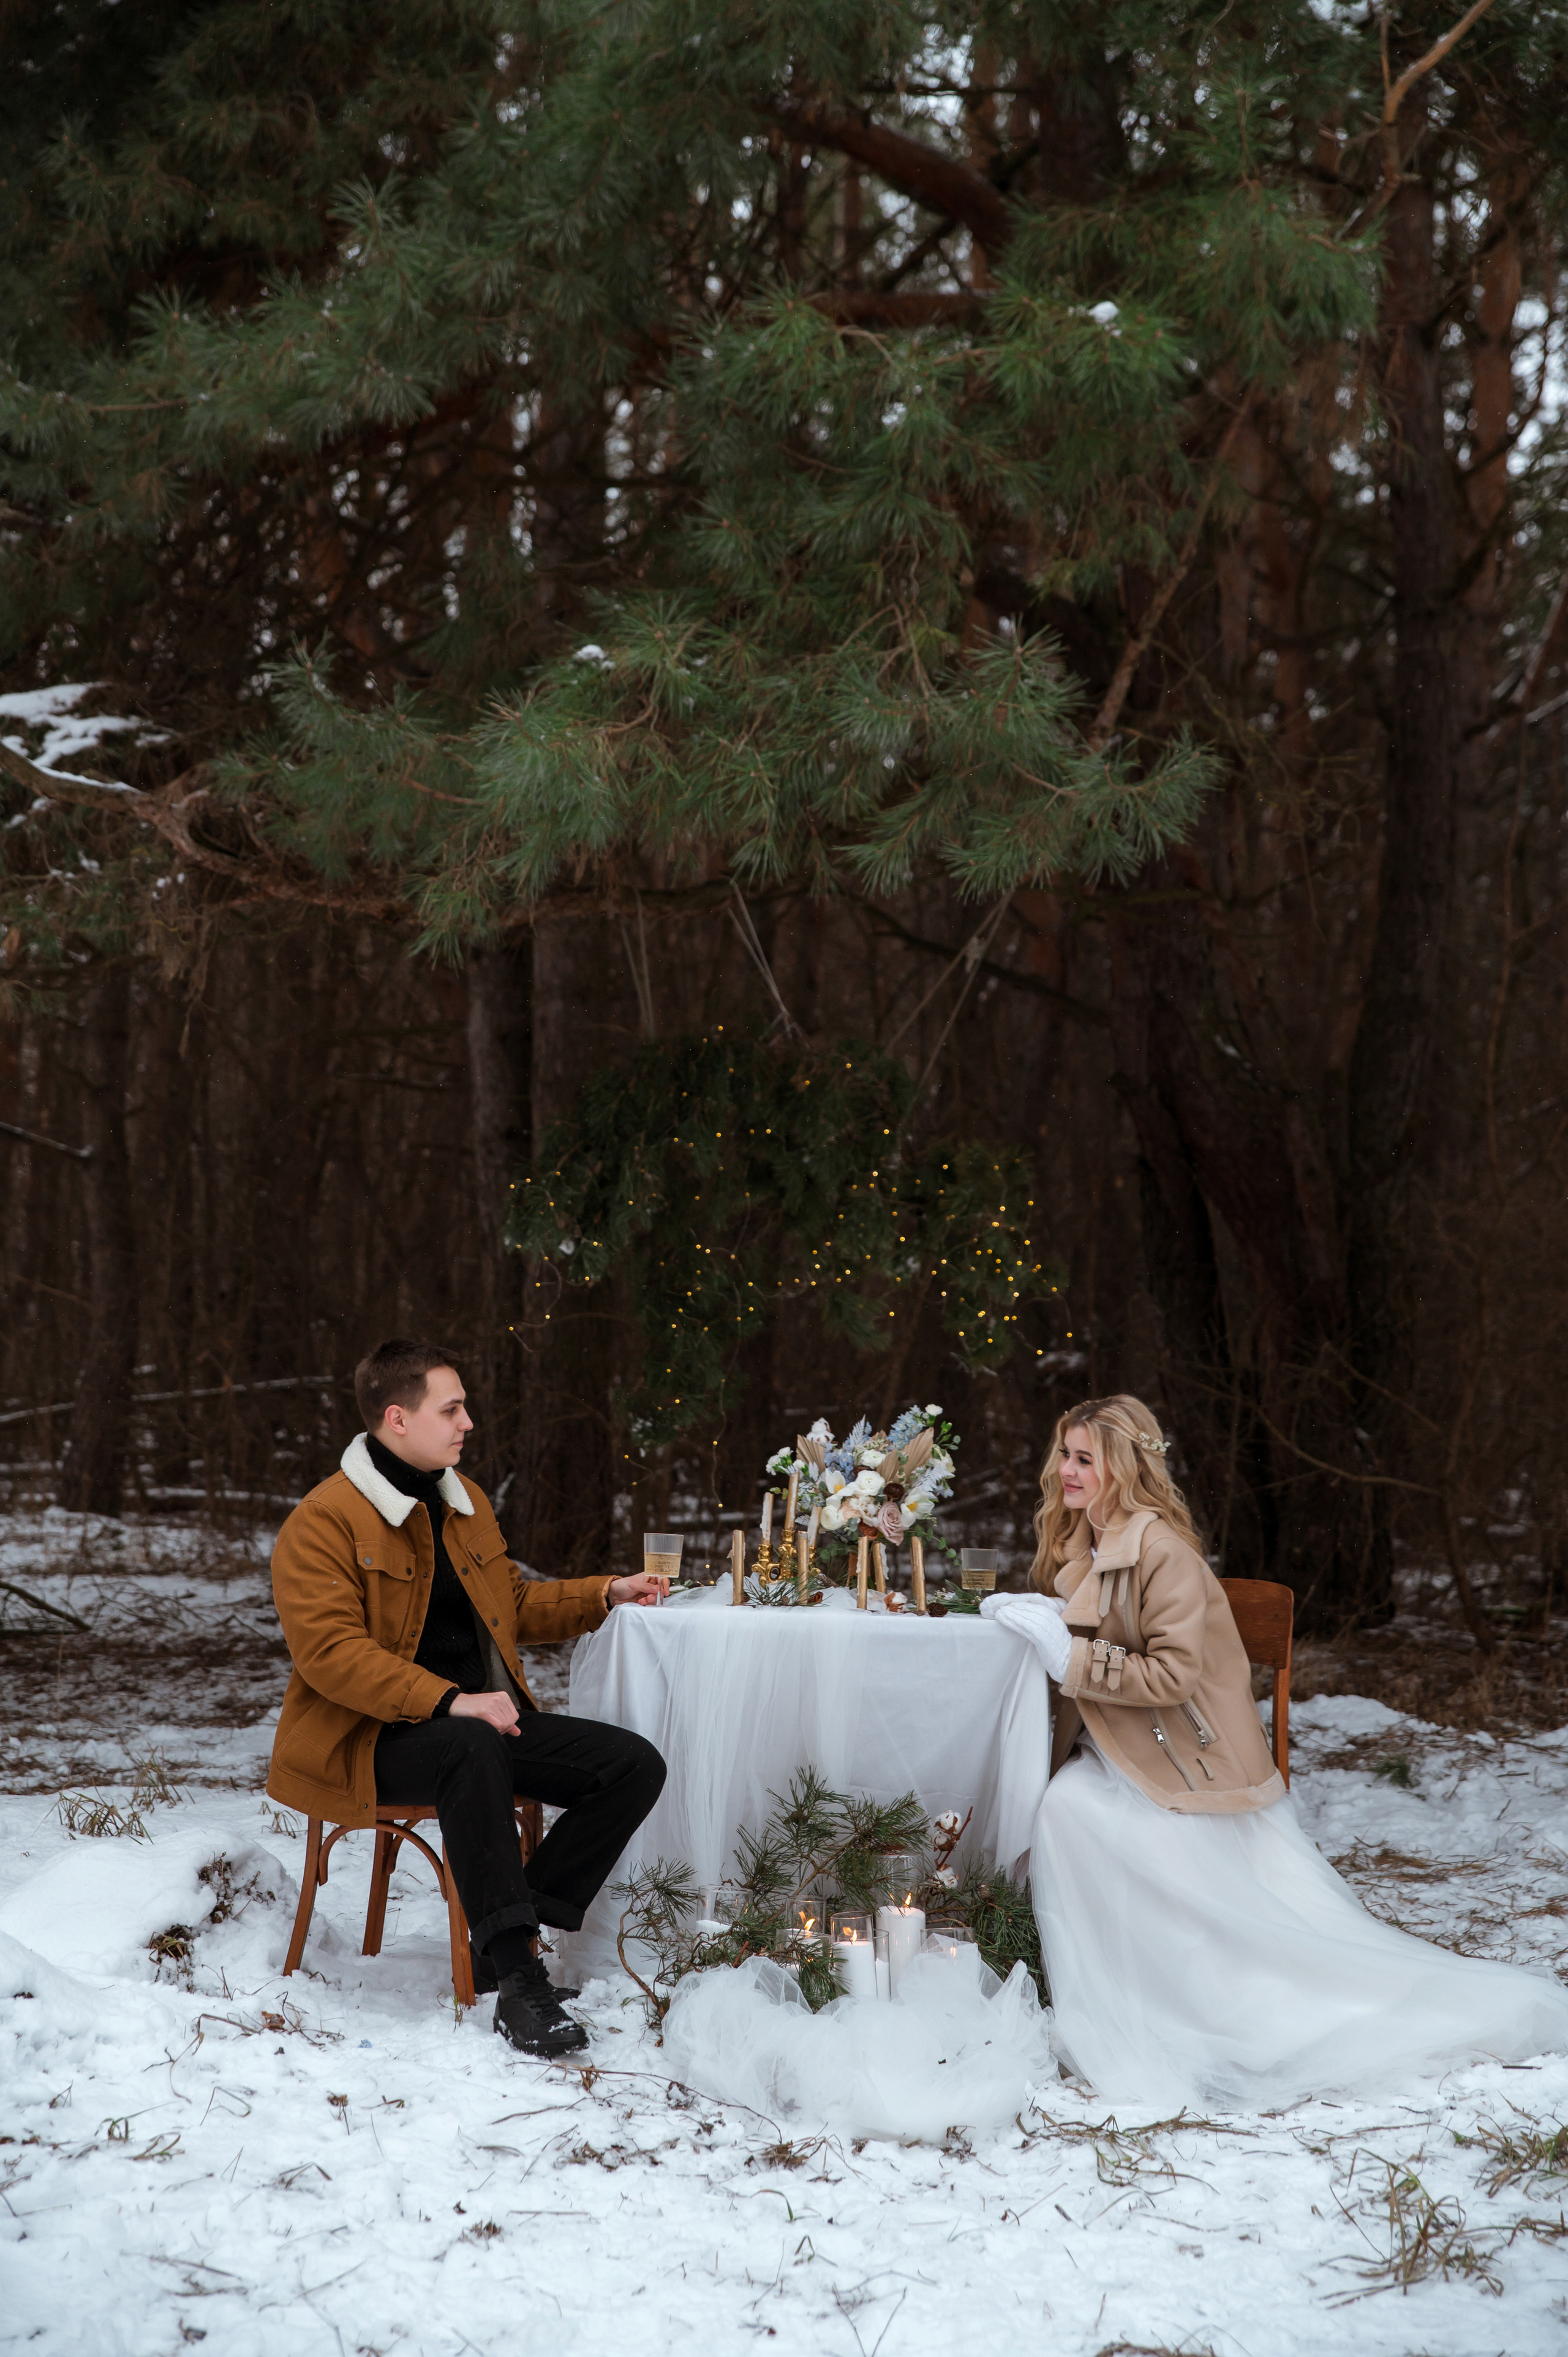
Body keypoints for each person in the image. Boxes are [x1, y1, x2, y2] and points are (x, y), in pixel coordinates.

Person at [983, 1393, 1568, 2111]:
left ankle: (1203, 2008)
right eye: (1065, 1455)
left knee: (1082, 1818)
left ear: (1125, 1466)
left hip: (1184, 1761)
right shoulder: (1081, 1546)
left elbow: (1170, 1674)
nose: (1067, 1471)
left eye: (1085, 1458)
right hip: (1121, 1750)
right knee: (1064, 1805)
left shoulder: (1163, 1551)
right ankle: (1120, 1987)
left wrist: (1068, 1656)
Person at [266, 1338, 667, 2060]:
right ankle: (519, 1983)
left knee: (631, 1764)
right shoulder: (323, 1521)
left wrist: (604, 1593)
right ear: (397, 1417)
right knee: (473, 1743)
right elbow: (330, 1656)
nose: (468, 1422)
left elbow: (508, 1604)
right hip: (366, 1744)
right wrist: (453, 1698)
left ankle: (501, 1935)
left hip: (469, 1731)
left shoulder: (463, 1500)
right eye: (451, 1408)